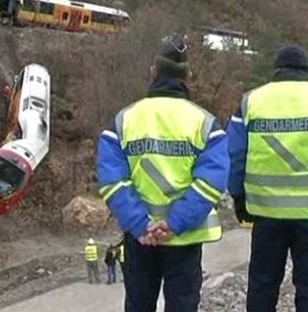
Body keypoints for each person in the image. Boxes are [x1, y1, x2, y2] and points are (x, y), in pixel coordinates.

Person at [96, 35, 229, 312]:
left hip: (139, 238)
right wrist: (173, 223)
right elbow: (210, 183)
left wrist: (140, 223)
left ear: (153, 72)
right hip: (184, 238)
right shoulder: (206, 124)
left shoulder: (122, 121)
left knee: (138, 305)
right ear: (188, 76)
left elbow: (111, 180)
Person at [226, 44, 308, 312]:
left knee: (262, 286)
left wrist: (238, 195)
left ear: (276, 70)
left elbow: (235, 154)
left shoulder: (250, 101)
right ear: (305, 71)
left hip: (265, 214)